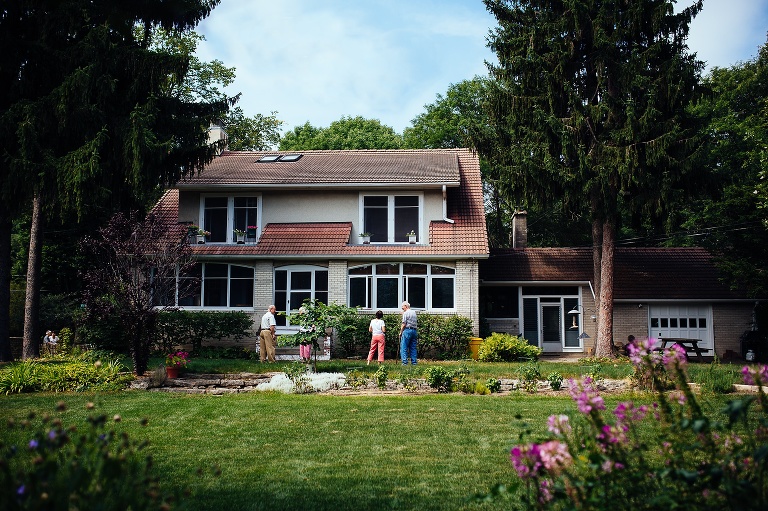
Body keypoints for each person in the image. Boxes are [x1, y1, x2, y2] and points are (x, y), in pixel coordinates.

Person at [399, 301, 418, 365]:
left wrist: (400, 332)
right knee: (413, 347)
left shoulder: (405, 313)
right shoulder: (414, 312)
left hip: (407, 330)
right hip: (414, 331)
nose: (402, 309)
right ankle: (414, 362)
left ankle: (404, 362)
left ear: (406, 306)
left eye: (403, 308)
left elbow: (404, 324)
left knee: (404, 347)